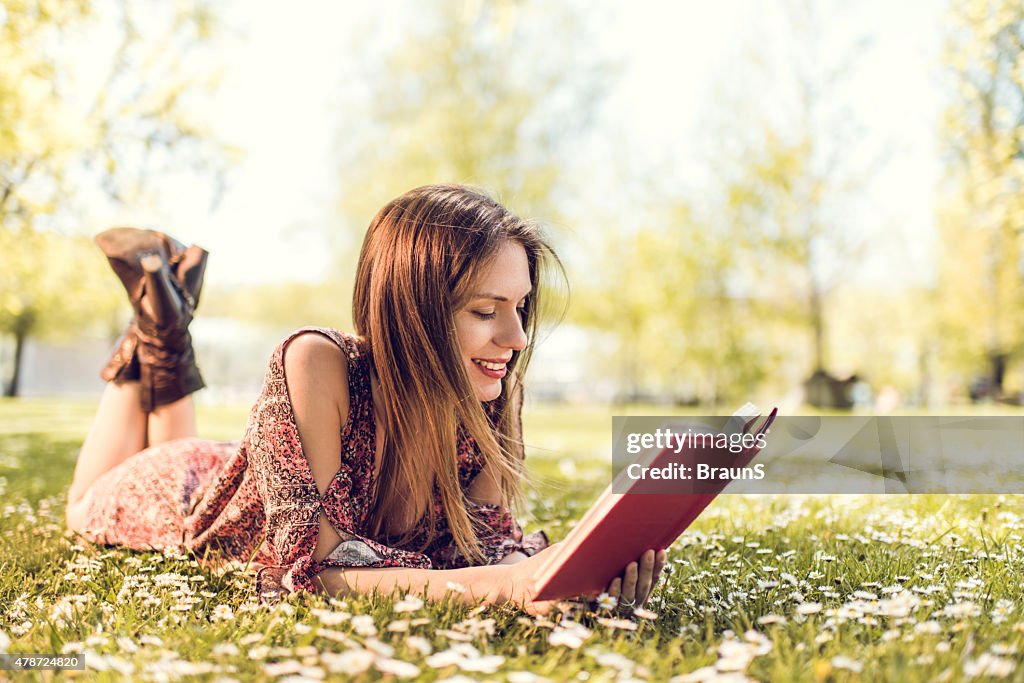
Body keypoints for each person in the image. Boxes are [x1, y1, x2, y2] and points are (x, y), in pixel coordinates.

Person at [64, 184, 666, 613]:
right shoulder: (315, 361)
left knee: (190, 450)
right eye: (486, 311)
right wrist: (508, 585)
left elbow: (485, 548)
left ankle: (166, 310)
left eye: (520, 307)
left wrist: (563, 571)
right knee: (83, 506)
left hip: (232, 470)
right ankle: (158, 327)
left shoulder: (487, 386)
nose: (516, 338)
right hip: (180, 489)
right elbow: (316, 573)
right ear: (414, 312)